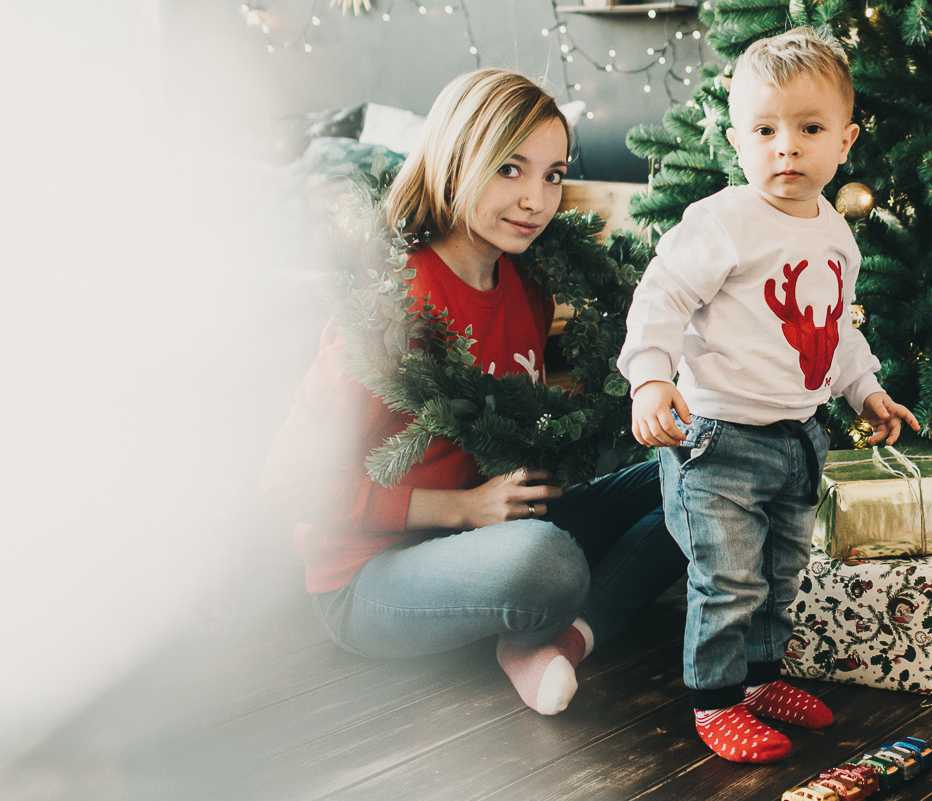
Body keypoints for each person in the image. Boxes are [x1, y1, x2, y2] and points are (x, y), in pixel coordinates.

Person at [263, 69, 684, 716]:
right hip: (369, 576)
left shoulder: (524, 285)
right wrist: (461, 508)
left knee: (699, 473)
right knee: (549, 562)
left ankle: (556, 640)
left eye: (552, 174)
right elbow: (289, 483)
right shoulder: (390, 304)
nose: (537, 199)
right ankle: (537, 611)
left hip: (494, 530)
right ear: (458, 160)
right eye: (511, 169)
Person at [618, 29, 920, 763]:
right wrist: (651, 377)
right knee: (727, 579)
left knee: (780, 575)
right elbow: (660, 298)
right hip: (717, 435)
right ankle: (715, 700)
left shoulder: (836, 234)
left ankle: (758, 681)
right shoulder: (723, 221)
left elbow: (838, 331)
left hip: (798, 437)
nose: (786, 148)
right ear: (736, 140)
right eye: (765, 130)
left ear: (843, 141)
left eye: (809, 129)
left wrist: (866, 390)